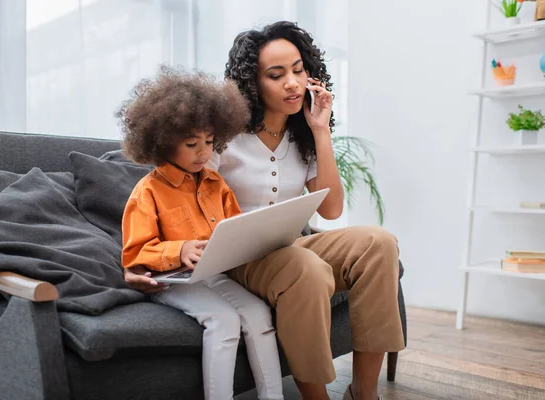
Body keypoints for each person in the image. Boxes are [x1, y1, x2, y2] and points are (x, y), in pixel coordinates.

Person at [125, 21, 404, 400]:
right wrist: (163, 258)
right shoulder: (219, 139)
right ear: (253, 84)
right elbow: (180, 202)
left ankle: (363, 392)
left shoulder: (302, 135)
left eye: (298, 69)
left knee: (379, 243)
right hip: (241, 261)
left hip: (291, 246)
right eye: (276, 75)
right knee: (305, 268)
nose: (291, 82)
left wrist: (321, 131)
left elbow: (333, 208)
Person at [118, 67, 284, 400]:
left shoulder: (215, 183)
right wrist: (178, 251)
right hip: (172, 282)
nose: (204, 152)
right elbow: (135, 254)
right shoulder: (147, 192)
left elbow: (235, 227)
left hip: (214, 273)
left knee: (258, 313)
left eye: (210, 142)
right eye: (192, 144)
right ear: (163, 143)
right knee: (223, 320)